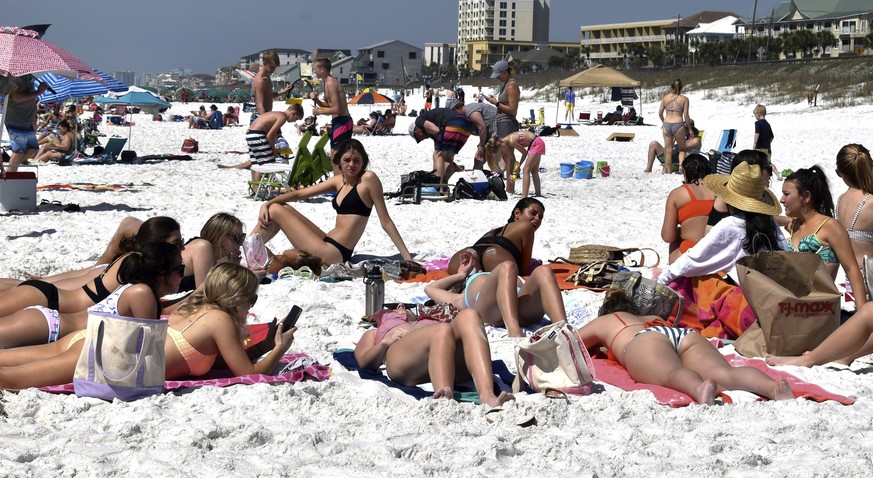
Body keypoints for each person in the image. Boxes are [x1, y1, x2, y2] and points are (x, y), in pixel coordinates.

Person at [0, 262, 298, 390]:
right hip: (107, 359)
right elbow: (249, 375)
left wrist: (263, 345)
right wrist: (279, 349)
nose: (252, 306)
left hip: (98, 342)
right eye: (251, 298)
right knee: (8, 381)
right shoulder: (220, 320)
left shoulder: (195, 308)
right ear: (237, 297)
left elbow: (225, 359)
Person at [577, 288, 794, 404]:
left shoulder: (607, 320)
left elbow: (571, 341)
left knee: (672, 373)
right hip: (682, 334)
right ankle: (772, 388)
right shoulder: (650, 316)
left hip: (645, 340)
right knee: (725, 372)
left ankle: (699, 388)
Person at [658, 162, 786, 339]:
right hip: (773, 296)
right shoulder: (771, 224)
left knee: (690, 278)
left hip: (746, 302)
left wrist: (661, 281)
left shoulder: (731, 224)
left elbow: (693, 259)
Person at [0, 241, 182, 352]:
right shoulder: (141, 293)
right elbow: (150, 351)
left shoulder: (137, 290)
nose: (183, 275)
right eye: (180, 269)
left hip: (49, 322)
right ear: (162, 272)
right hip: (49, 325)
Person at [253, 139, 413, 265]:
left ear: (363, 162)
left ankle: (247, 248)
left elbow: (386, 221)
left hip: (333, 253)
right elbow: (299, 193)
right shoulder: (339, 181)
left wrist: (407, 258)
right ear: (339, 162)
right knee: (279, 207)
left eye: (357, 161)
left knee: (275, 210)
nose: (351, 165)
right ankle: (248, 248)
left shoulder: (368, 179)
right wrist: (265, 203)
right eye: (347, 160)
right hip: (327, 242)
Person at [354, 306, 513, 406]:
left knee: (470, 314)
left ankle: (487, 395)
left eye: (406, 306)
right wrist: (384, 343)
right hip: (403, 361)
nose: (400, 306)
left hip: (448, 359)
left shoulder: (429, 321)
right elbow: (363, 361)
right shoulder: (375, 332)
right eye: (392, 309)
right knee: (442, 330)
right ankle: (444, 397)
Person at [776, 166, 867, 307]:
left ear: (806, 197)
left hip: (820, 310)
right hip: (791, 308)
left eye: (786, 194)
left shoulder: (830, 227)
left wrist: (862, 311)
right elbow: (775, 219)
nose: (782, 199)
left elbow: (851, 269)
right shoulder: (795, 225)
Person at [425, 251, 564, 337]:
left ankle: (564, 330)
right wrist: (461, 275)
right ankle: (514, 331)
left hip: (521, 307)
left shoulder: (502, 274)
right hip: (492, 312)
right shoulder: (458, 297)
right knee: (507, 265)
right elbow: (430, 289)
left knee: (543, 270)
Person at [448, 198, 544, 276]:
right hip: (495, 255)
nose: (537, 219)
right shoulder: (527, 226)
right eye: (533, 213)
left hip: (467, 253)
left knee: (468, 287)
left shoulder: (495, 231)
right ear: (517, 213)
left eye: (540, 217)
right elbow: (523, 270)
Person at [217, 104, 304, 179]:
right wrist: (274, 152)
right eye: (296, 119)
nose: (294, 121)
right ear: (293, 114)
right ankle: (267, 189)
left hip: (250, 134)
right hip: (258, 135)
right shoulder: (283, 117)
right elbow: (270, 136)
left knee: (255, 163)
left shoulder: (275, 113)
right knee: (267, 164)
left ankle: (255, 189)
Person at [661, 154, 715, 263]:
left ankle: (674, 270)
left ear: (684, 172)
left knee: (676, 231)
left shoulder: (678, 194)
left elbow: (667, 237)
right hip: (715, 255)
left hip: (689, 255)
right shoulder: (720, 192)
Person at [834, 144, 873, 291]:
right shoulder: (870, 201)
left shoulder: (841, 201)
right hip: (870, 277)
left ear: (841, 174)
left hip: (851, 279)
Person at [408, 107, 474, 183]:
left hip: (453, 122)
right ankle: (447, 185)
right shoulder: (431, 133)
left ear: (416, 131)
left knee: (437, 155)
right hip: (467, 126)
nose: (422, 139)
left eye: (419, 138)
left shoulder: (419, 121)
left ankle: (437, 186)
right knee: (447, 158)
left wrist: (434, 173)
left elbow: (436, 130)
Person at [310, 57, 353, 171]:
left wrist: (319, 111)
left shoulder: (331, 83)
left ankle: (338, 184)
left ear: (323, 69)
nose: (314, 71)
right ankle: (339, 182)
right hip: (339, 121)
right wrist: (317, 100)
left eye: (316, 68)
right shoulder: (326, 84)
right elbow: (329, 106)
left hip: (342, 121)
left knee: (336, 155)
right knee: (338, 154)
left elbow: (337, 109)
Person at [3, 74, 50, 173]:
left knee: (32, 149)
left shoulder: (28, 77)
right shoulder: (17, 77)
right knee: (19, 150)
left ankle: (10, 170)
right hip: (16, 118)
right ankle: (10, 174)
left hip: (26, 119)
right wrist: (39, 92)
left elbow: (30, 101)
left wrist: (33, 120)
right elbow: (16, 97)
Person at [487, 60, 521, 194]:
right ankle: (505, 186)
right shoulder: (505, 84)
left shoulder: (512, 85)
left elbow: (513, 110)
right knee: (502, 155)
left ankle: (510, 188)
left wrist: (496, 103)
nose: (497, 78)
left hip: (508, 123)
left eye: (498, 75)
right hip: (502, 123)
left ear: (504, 72)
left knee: (508, 157)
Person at [448, 99, 497, 170]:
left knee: (495, 159)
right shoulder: (464, 117)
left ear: (456, 109)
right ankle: (478, 179)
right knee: (478, 160)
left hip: (498, 129)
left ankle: (512, 169)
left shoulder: (471, 111)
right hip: (489, 134)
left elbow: (482, 128)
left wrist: (481, 146)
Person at [658, 79, 691, 174]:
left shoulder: (665, 97)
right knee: (682, 149)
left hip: (667, 124)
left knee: (668, 149)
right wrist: (690, 129)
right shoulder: (684, 99)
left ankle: (668, 170)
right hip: (678, 124)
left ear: (672, 86)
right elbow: (686, 115)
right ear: (681, 87)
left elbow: (660, 113)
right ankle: (681, 166)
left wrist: (663, 121)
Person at [252, 51, 292, 124]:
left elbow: (269, 96)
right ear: (264, 63)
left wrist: (283, 91)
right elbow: (260, 105)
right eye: (272, 67)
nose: (273, 70)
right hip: (261, 116)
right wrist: (267, 121)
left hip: (265, 115)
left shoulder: (267, 77)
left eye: (275, 68)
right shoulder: (260, 80)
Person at [503, 129, 545, 198]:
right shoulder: (509, 138)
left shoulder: (511, 141)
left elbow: (525, 153)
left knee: (526, 170)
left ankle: (524, 196)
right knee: (534, 171)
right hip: (537, 141)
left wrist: (519, 165)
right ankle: (538, 194)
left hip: (535, 143)